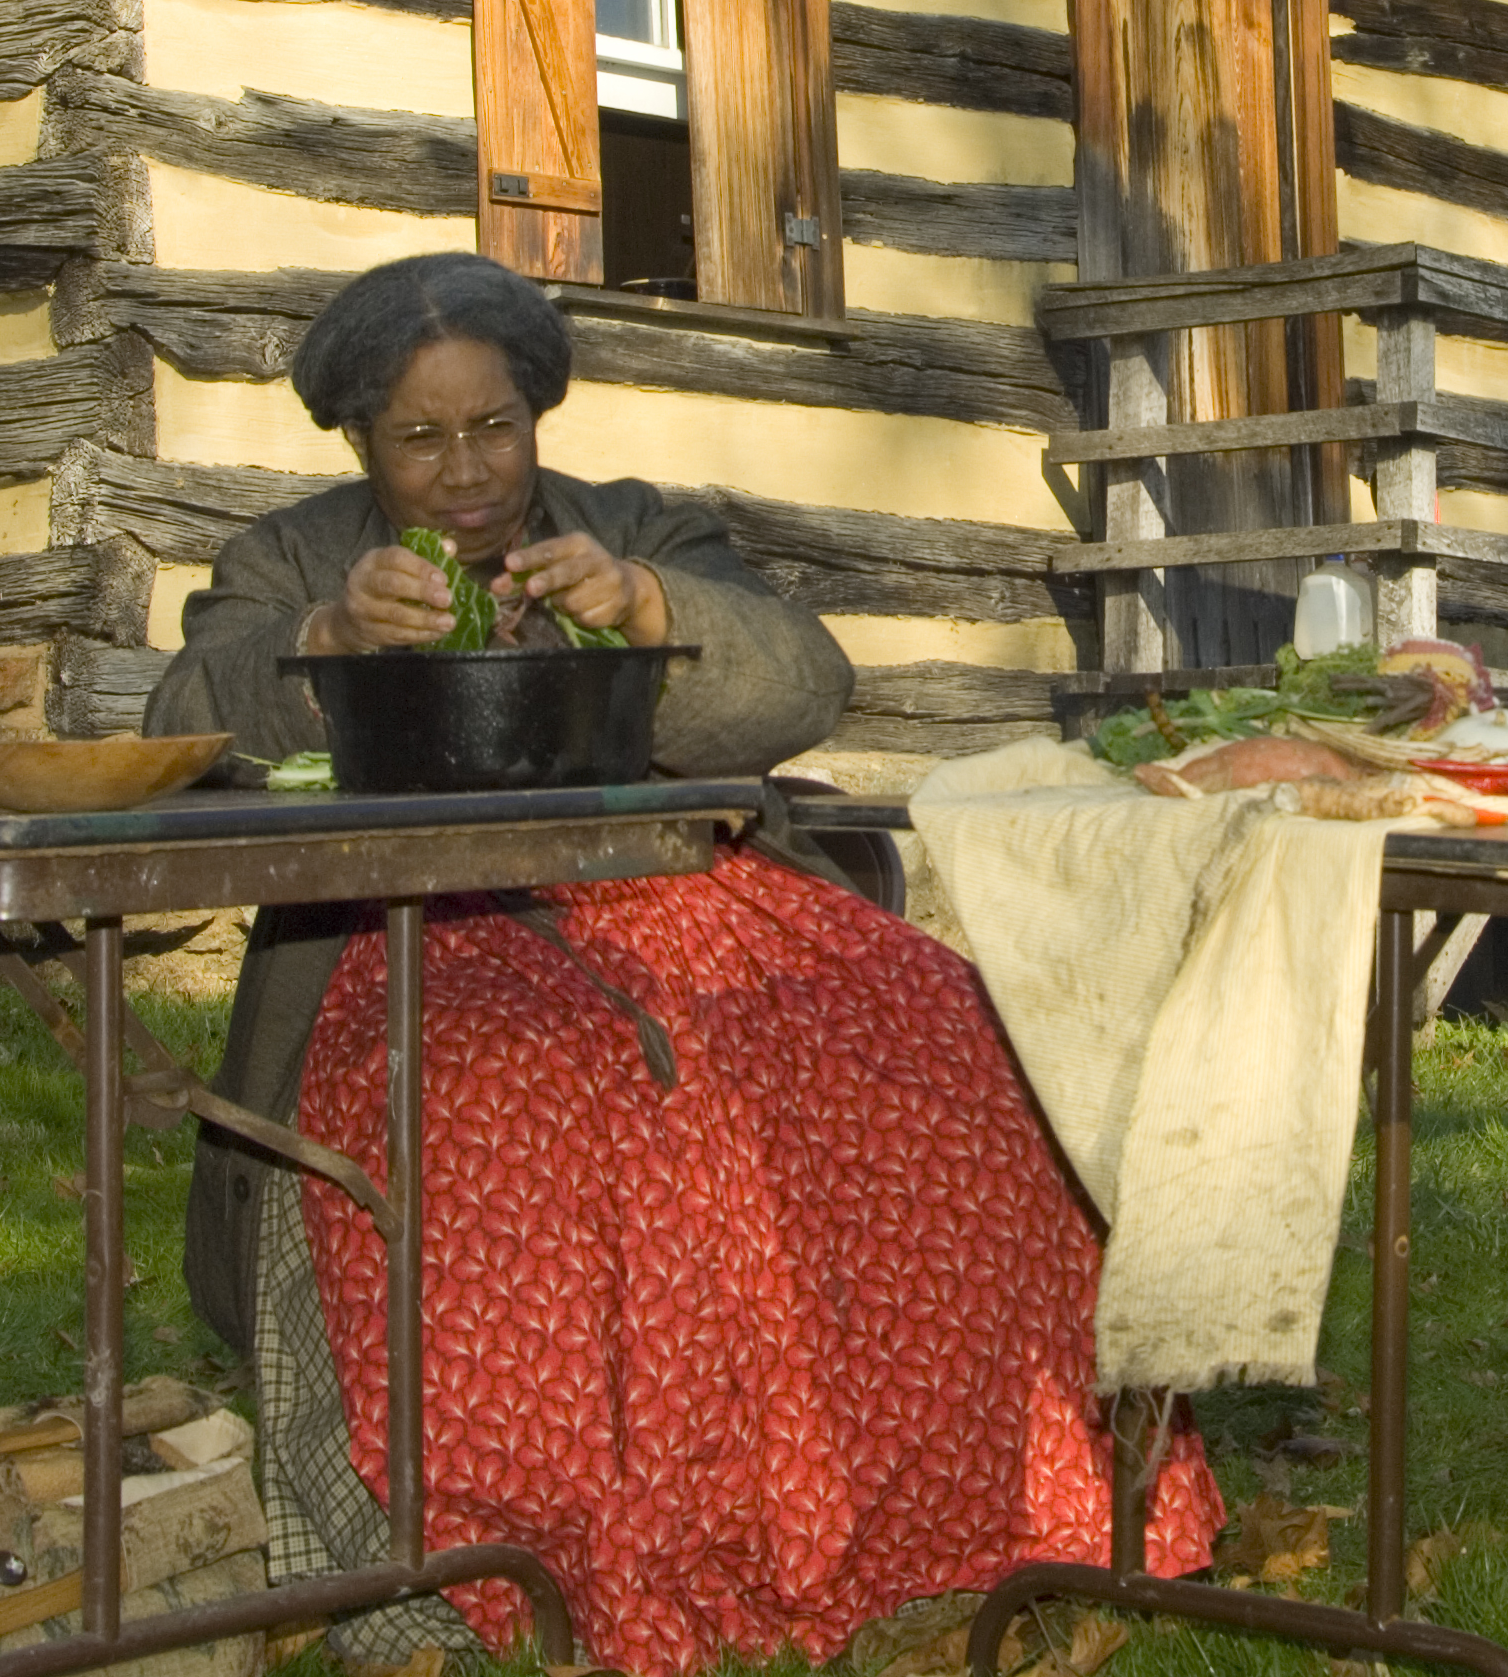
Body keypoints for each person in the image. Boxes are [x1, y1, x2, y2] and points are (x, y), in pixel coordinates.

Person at [143, 251, 1214, 1672]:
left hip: (697, 897)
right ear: (360, 444)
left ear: (536, 415)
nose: (466, 471)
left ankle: (955, 1503)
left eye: (495, 427)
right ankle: (565, 1541)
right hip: (419, 933)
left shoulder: (638, 527)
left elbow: (806, 679)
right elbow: (184, 718)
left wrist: (649, 607)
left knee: (949, 1044)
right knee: (541, 1098)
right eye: (421, 438)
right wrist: (321, 642)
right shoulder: (288, 560)